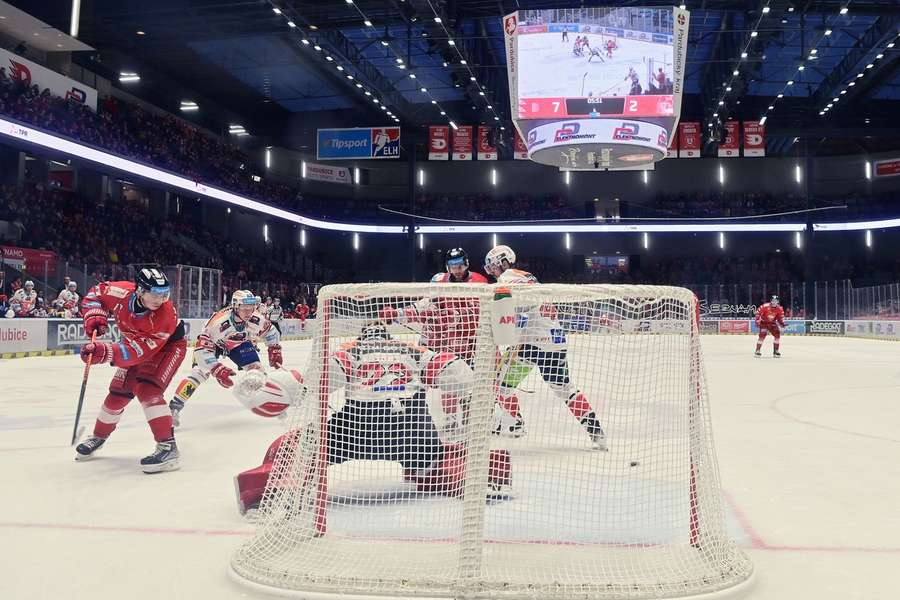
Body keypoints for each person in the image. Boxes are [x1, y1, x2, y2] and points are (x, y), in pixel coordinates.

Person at [231, 323, 511, 514]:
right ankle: (478, 473)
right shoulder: (415, 351)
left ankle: (274, 489)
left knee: (292, 444)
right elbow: (454, 370)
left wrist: (285, 388)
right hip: (413, 430)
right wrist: (481, 396)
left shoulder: (352, 350)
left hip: (359, 428)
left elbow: (319, 381)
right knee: (438, 455)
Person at [483, 245, 607, 449]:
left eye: (493, 267)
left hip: (533, 343)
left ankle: (511, 423)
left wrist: (510, 339)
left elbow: (514, 311)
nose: (492, 272)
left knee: (499, 384)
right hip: (555, 342)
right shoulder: (529, 277)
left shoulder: (508, 278)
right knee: (566, 389)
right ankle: (597, 433)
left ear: (503, 262)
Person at [74, 267, 188, 473]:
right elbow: (95, 293)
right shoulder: (121, 292)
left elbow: (137, 353)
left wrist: (104, 352)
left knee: (147, 389)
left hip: (168, 348)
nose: (160, 299)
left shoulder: (164, 315)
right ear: (140, 290)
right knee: (118, 393)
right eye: (154, 293)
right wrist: (94, 314)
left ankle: (168, 447)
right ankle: (99, 436)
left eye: (165, 293)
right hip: (134, 343)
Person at [168, 290, 282, 426]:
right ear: (235, 306)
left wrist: (274, 348)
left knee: (257, 371)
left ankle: (274, 403)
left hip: (238, 344)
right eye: (244, 308)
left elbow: (271, 332)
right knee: (199, 373)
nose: (248, 312)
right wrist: (216, 369)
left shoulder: (256, 318)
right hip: (212, 346)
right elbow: (201, 350)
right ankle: (174, 408)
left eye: (251, 307)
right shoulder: (218, 323)